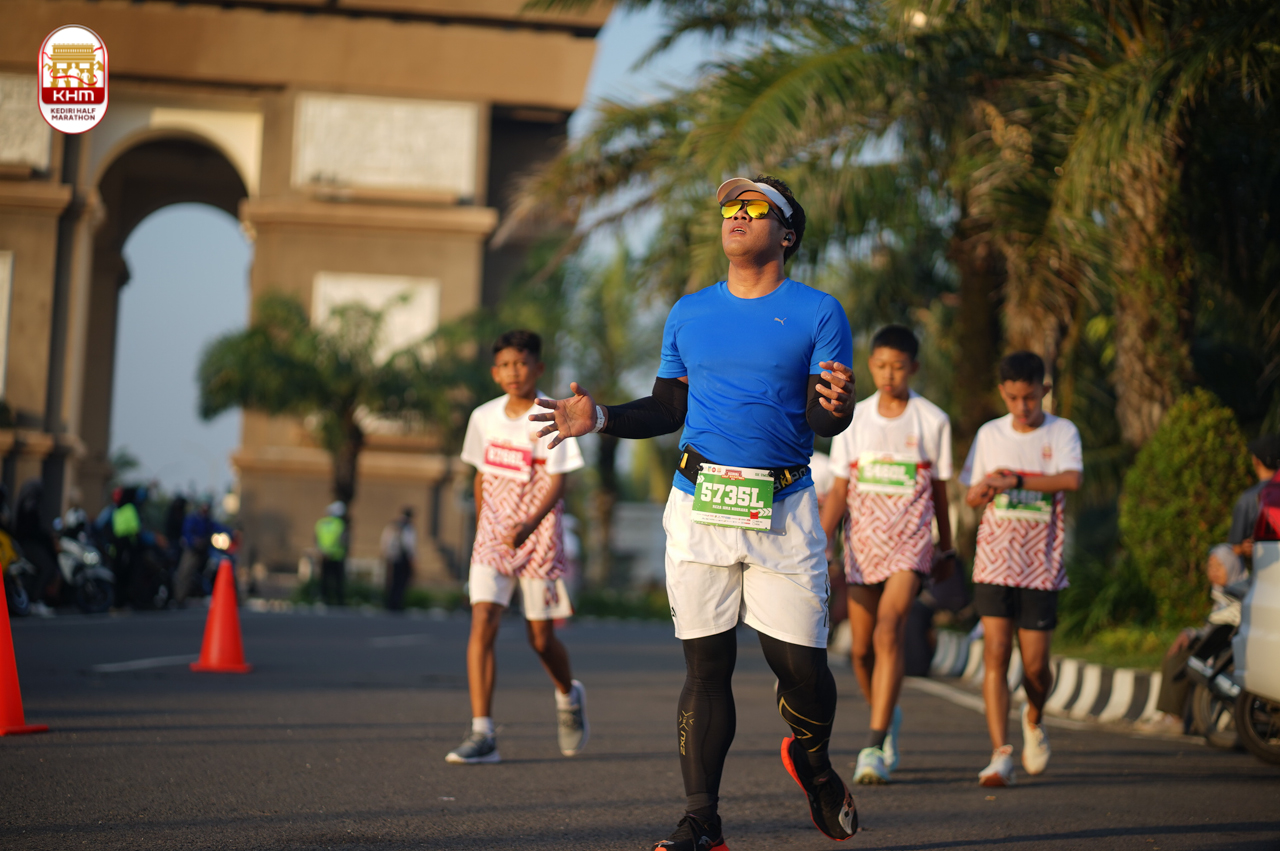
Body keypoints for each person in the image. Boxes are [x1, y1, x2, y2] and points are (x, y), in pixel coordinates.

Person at [533, 176, 859, 850]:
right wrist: (600, 417)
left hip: (784, 507)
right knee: (706, 670)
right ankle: (701, 819)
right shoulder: (688, 312)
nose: (735, 215)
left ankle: (815, 762)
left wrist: (840, 406)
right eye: (730, 206)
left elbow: (824, 416)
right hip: (698, 503)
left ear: (787, 233)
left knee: (801, 670)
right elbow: (668, 408)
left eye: (753, 207)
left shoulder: (818, 312)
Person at [446, 329, 589, 765]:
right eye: (506, 365)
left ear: (538, 368)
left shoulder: (551, 415)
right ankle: (482, 733)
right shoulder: (483, 417)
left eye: (522, 363)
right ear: (495, 372)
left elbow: (559, 481)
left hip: (539, 537)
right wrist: (484, 527)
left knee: (540, 638)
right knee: (483, 621)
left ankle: (568, 695)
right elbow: (480, 475)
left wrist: (529, 525)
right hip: (493, 538)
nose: (514, 372)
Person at [820, 324, 954, 785]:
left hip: (910, 544)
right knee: (860, 651)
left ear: (913, 367)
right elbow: (840, 490)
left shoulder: (932, 421)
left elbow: (940, 492)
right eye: (880, 366)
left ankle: (875, 743)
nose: (888, 374)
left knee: (889, 628)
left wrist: (947, 547)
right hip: (862, 545)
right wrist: (821, 539)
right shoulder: (853, 418)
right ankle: (886, 711)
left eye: (897, 366)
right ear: (869, 366)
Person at [960, 351, 1082, 786]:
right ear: (1002, 393)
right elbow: (970, 494)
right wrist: (985, 489)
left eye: (1029, 397)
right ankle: (1000, 754)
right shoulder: (989, 434)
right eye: (1013, 398)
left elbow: (1070, 479)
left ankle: (1034, 717)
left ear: (1043, 390)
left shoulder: (1062, 431)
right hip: (994, 562)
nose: (1022, 407)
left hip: (1040, 565)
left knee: (1035, 667)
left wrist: (1015, 480)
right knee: (995, 652)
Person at [1141, 433, 1280, 734]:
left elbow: (1233, 548)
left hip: (1259, 587)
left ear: (1256, 461)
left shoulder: (1255, 498)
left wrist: (1243, 550)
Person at [175, 499, 229, 606]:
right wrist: (194, 541)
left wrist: (231, 532)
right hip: (192, 550)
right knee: (185, 573)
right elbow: (186, 533)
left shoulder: (207, 520)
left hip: (205, 550)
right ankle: (179, 598)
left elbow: (217, 527)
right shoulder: (193, 519)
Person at [381, 507, 416, 611]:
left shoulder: (393, 525)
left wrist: (386, 554)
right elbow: (409, 545)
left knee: (392, 581)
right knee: (399, 582)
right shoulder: (408, 527)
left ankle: (391, 603)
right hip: (401, 558)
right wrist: (412, 559)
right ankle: (395, 603)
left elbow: (385, 541)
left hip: (392, 557)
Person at [314, 501, 348, 606]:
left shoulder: (320, 523)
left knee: (324, 579)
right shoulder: (340, 524)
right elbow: (343, 540)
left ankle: (324, 599)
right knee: (338, 581)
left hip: (323, 556)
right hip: (337, 556)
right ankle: (339, 601)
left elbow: (316, 539)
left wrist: (321, 551)